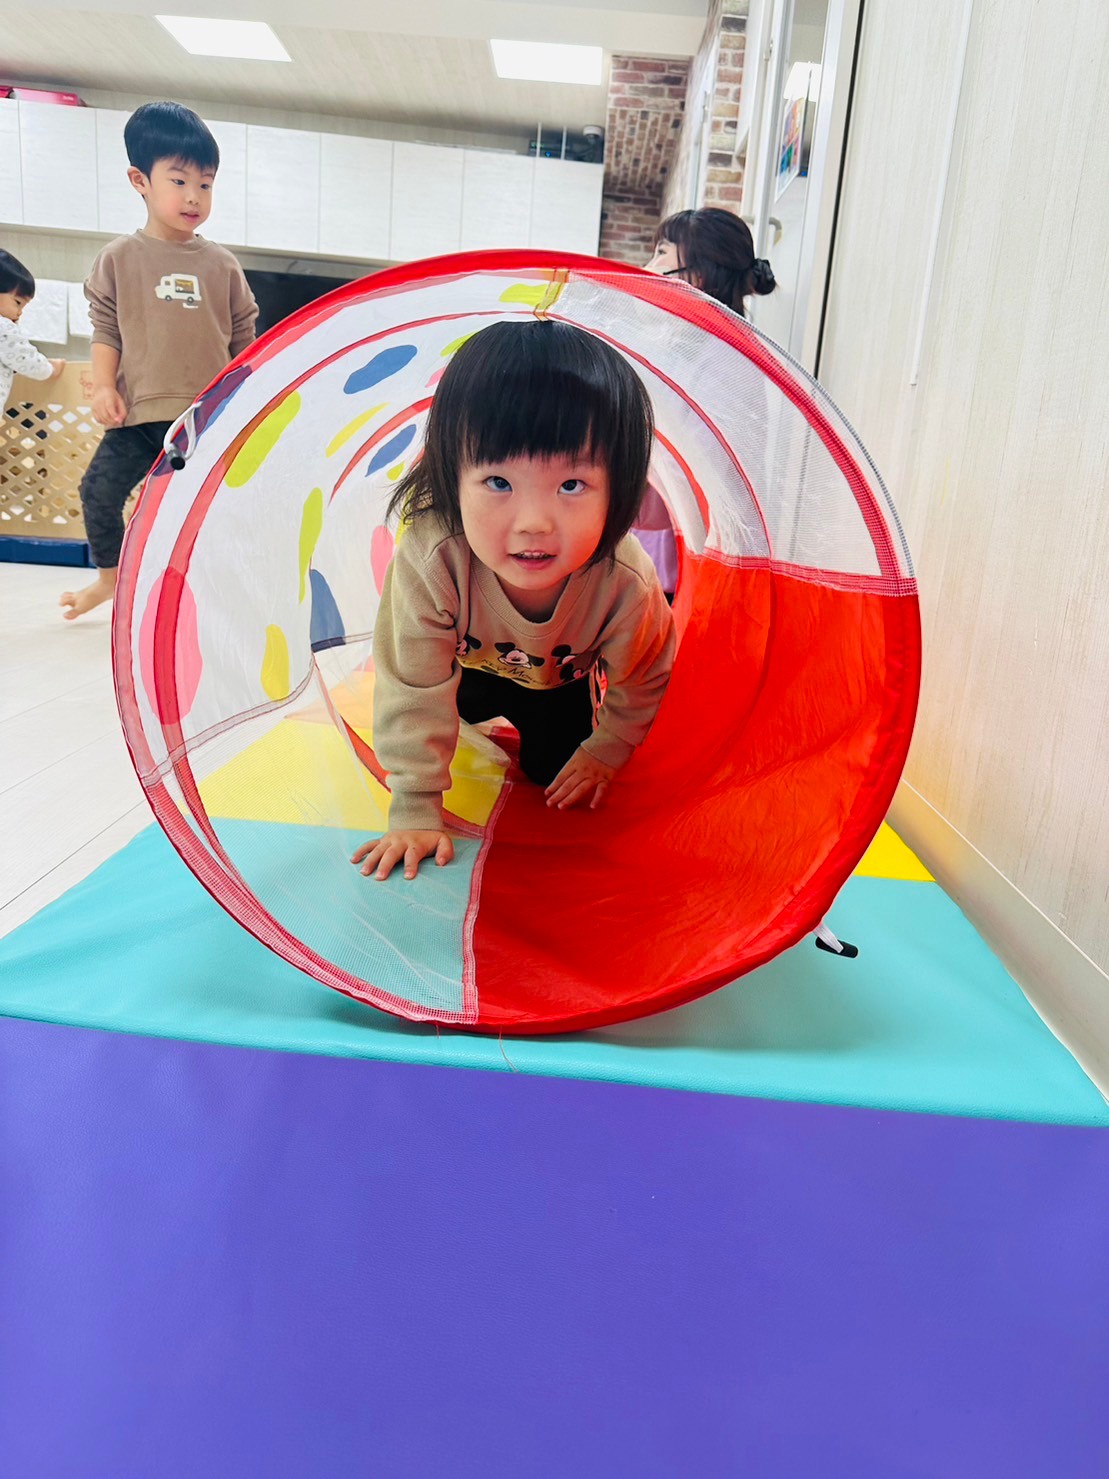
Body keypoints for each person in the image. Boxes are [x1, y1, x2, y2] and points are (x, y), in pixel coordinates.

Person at [353, 319, 676, 883]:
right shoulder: (435, 555)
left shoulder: (625, 580)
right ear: (452, 476)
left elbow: (645, 675)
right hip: (461, 673)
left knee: (555, 778)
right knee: (434, 723)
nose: (534, 524)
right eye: (499, 483)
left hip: (558, 685)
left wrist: (606, 748)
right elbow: (411, 684)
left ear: (620, 487)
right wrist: (414, 807)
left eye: (571, 485)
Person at [60, 101, 258, 620]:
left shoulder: (221, 265)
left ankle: (198, 592)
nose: (194, 196)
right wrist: (105, 386)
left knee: (204, 511)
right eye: (179, 181)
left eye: (206, 184)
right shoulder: (119, 259)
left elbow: (244, 339)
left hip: (201, 422)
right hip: (137, 417)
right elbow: (106, 329)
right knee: (97, 493)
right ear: (139, 180)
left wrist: (247, 402)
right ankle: (110, 579)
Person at [633, 207, 778, 596]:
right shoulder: (690, 349)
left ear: (696, 277)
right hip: (670, 560)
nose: (649, 267)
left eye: (661, 253)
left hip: (690, 572)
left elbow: (692, 474)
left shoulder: (727, 361)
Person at [0, 249, 65, 410]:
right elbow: (27, 361)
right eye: (17, 303)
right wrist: (50, 369)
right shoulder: (4, 327)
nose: (19, 312)